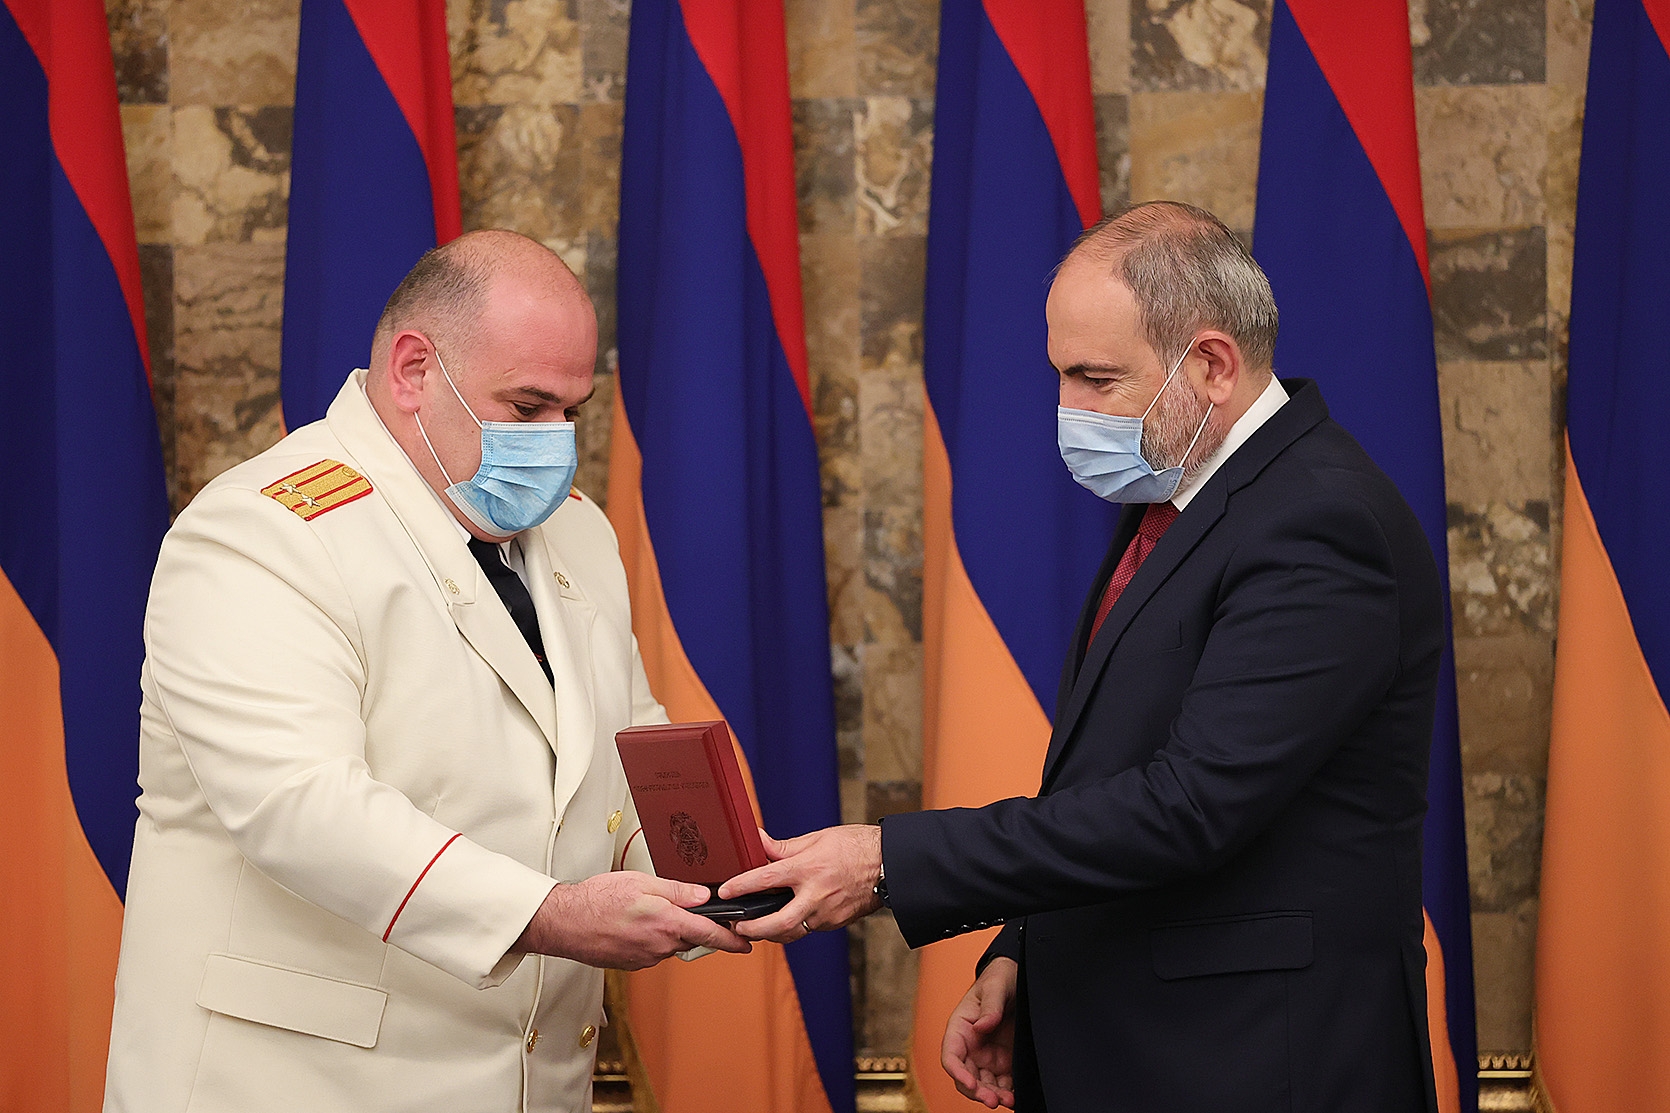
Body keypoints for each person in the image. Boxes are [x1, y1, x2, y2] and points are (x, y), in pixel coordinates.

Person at [721, 201, 1444, 1112]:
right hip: (1148, 1049)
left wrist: (884, 860)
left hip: (1259, 1063)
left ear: (1212, 365)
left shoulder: (1319, 522)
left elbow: (1190, 805)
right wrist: (1024, 948)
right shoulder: (1184, 496)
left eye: (1096, 378)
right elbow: (1110, 773)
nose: (1068, 411)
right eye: (1061, 375)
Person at [104, 230, 748, 1113]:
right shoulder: (261, 531)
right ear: (414, 371)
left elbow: (627, 758)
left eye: (573, 411)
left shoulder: (579, 532)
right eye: (527, 407)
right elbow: (301, 805)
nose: (557, 443)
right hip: (300, 1086)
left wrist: (726, 879)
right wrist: (554, 914)